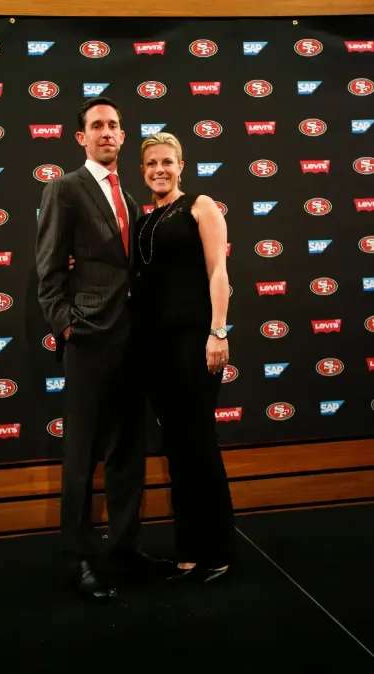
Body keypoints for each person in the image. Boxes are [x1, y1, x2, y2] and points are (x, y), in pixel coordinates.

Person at [35, 97, 149, 601]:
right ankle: (77, 558)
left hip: (133, 339)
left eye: (114, 126)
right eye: (97, 126)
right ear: (81, 137)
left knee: (128, 450)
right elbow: (49, 272)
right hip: (89, 339)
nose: (107, 132)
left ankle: (123, 547)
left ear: (124, 137)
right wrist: (68, 327)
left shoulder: (133, 195)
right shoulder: (64, 188)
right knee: (81, 453)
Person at [132, 132, 236, 583]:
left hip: (196, 341)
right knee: (177, 449)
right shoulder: (143, 221)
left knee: (200, 445)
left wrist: (217, 332)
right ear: (142, 170)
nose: (160, 169)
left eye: (167, 162)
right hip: (156, 348)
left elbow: (218, 270)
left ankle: (219, 551)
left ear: (181, 165)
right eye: (152, 163)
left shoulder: (200, 205)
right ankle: (188, 551)